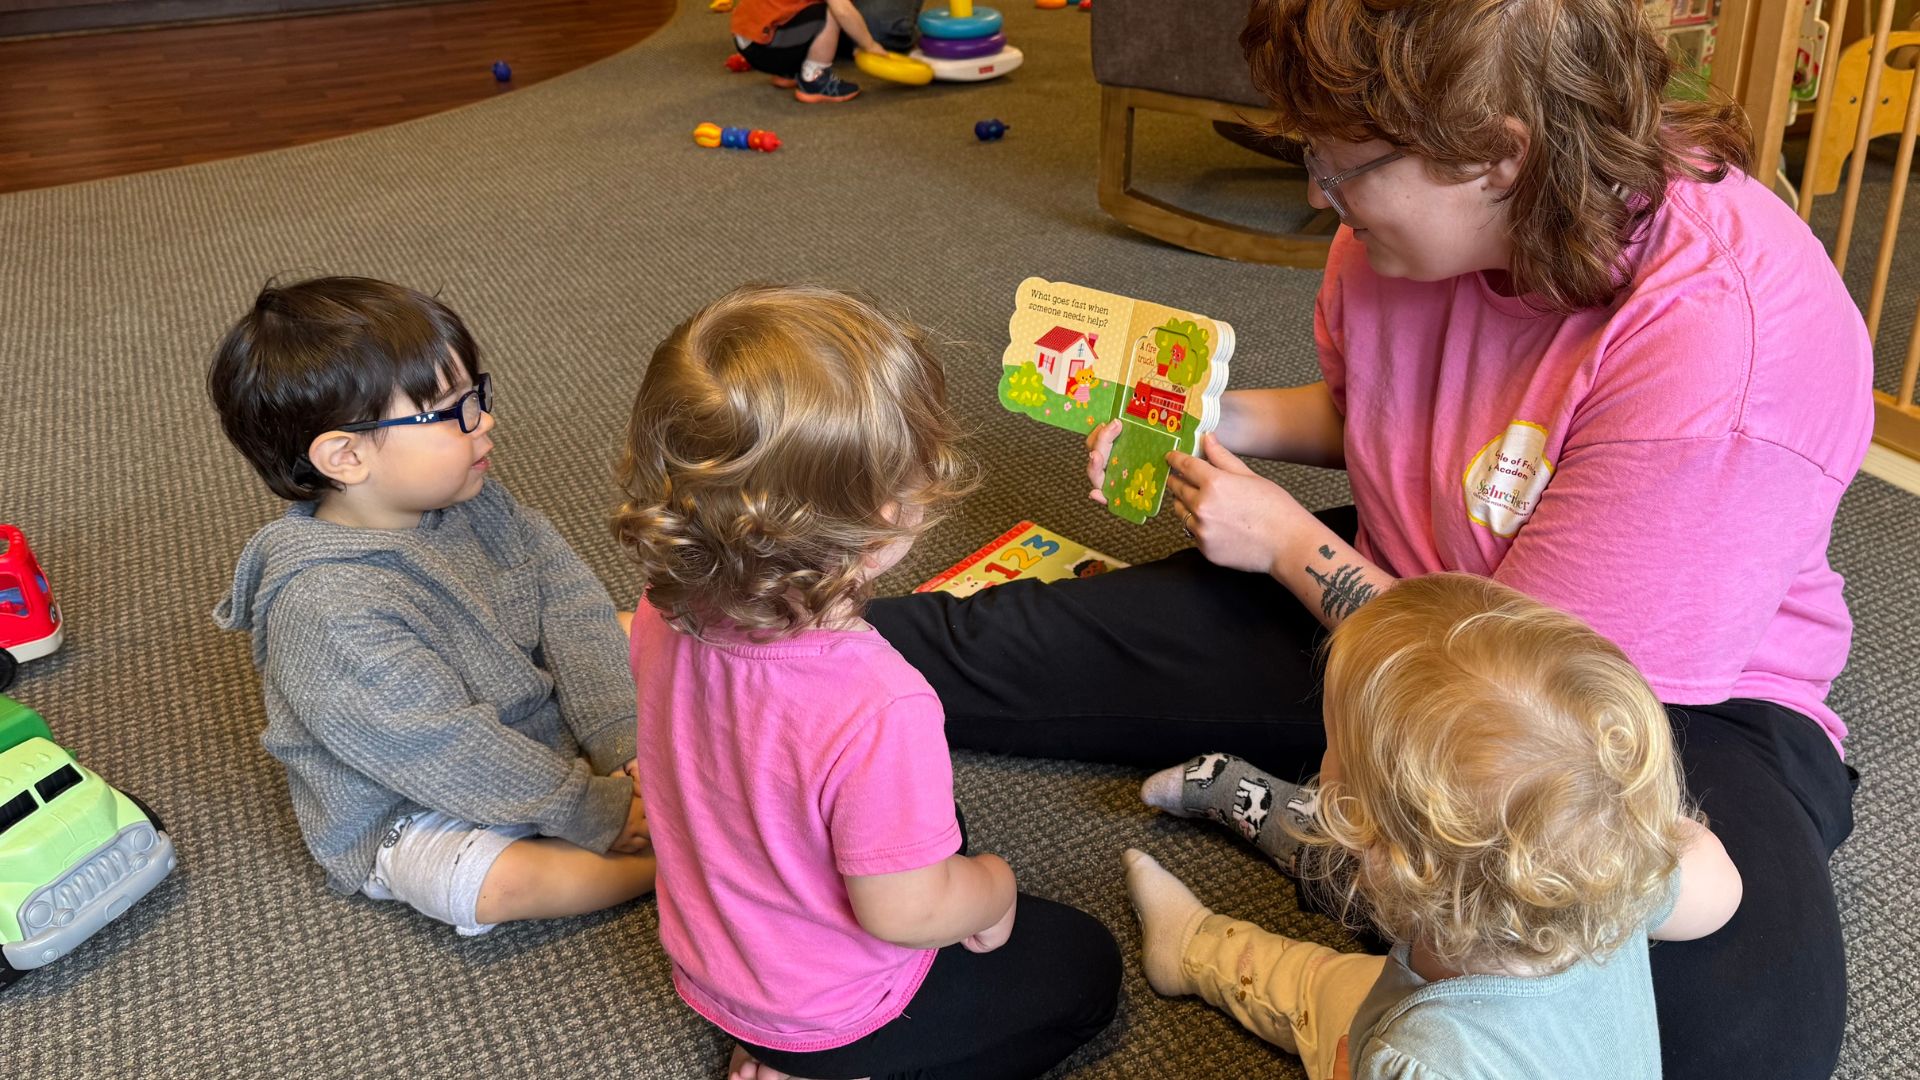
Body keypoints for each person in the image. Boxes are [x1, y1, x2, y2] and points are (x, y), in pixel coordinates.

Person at [864, 1, 1871, 1075]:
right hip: (1395, 580)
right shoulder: (1392, 234)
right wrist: (1227, 420)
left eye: (1340, 164)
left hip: (1635, 708)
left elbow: (1512, 694)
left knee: (1731, 1042)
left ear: (1496, 156)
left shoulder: (1717, 339)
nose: (1318, 193)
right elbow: (1393, 415)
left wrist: (1289, 546)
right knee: (946, 656)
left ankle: (1330, 834)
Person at [615, 285, 1121, 1080]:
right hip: (832, 1014)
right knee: (1087, 967)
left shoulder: (658, 608)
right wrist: (993, 889)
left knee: (927, 828)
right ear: (886, 520)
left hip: (712, 964)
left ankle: (774, 1045)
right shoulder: (881, 702)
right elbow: (904, 911)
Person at [1126, 574, 1743, 1080]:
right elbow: (1721, 894)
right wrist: (1639, 823)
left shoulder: (1420, 1061)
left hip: (1404, 1040)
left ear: (1388, 863)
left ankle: (1193, 948)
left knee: (1314, 986)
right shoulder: (1606, 868)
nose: (1325, 754)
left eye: (1333, 744)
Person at [210, 276, 655, 937]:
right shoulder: (327, 608)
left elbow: (569, 608)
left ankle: (641, 816)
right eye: (452, 411)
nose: (485, 421)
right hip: (412, 796)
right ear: (346, 456)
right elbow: (446, 749)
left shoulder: (472, 498)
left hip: (516, 716)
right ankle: (676, 865)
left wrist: (622, 738)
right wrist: (592, 809)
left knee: (638, 628)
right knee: (486, 881)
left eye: (478, 395)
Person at [731, 0, 887, 103]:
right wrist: (869, 45)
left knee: (805, 8)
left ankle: (787, 73)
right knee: (831, 13)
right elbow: (843, 12)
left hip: (747, 37)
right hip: (766, 44)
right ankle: (815, 79)